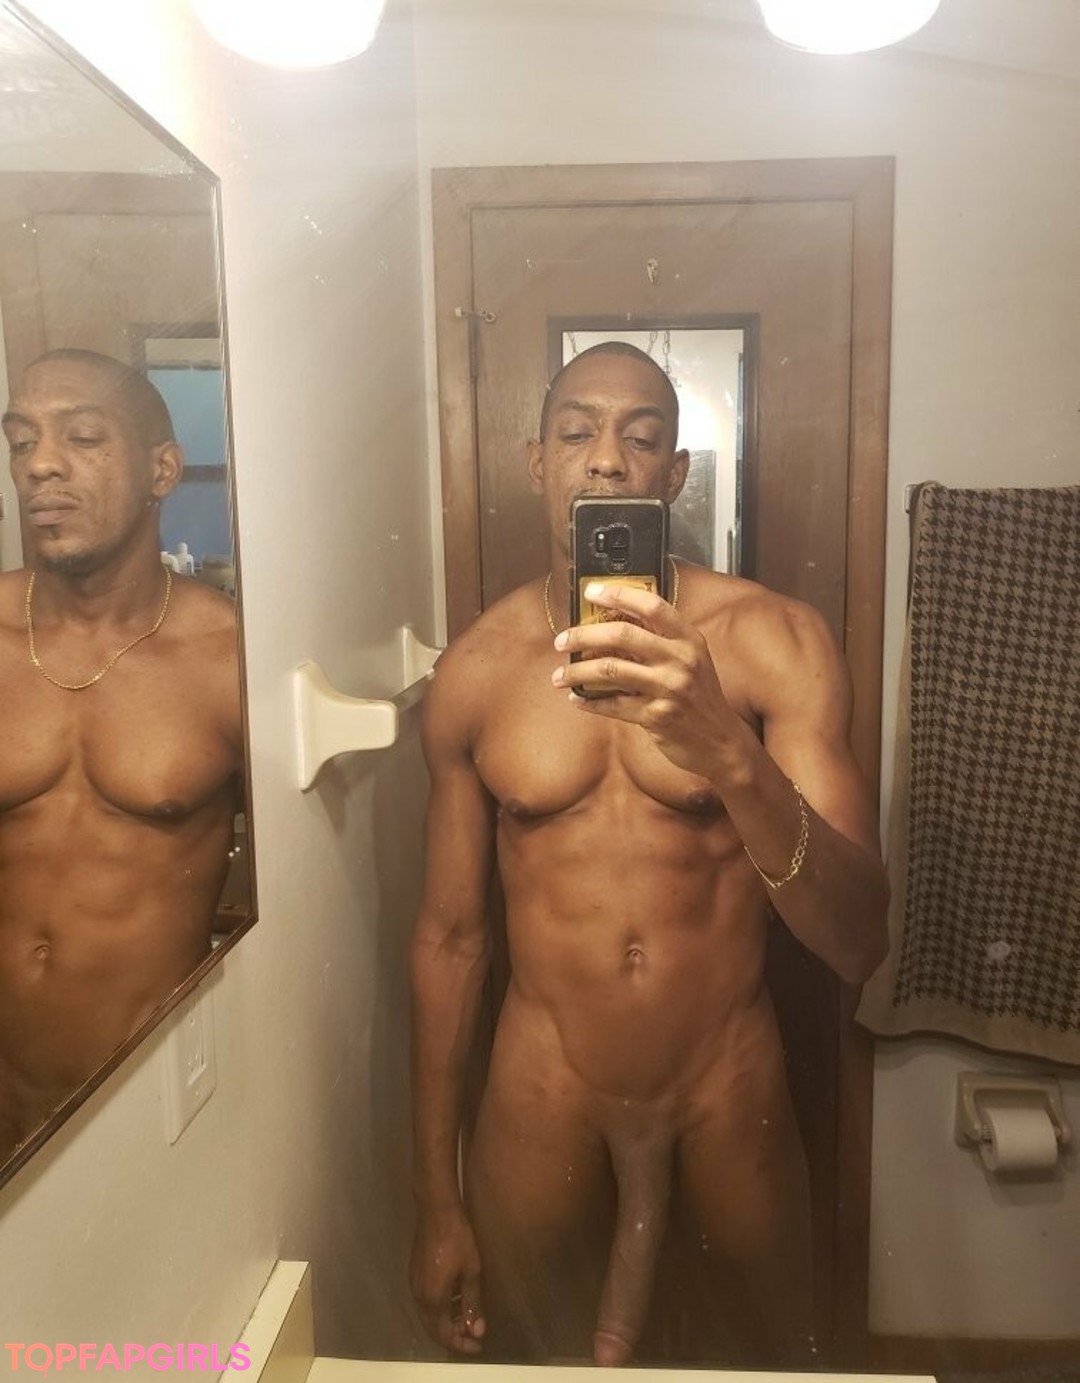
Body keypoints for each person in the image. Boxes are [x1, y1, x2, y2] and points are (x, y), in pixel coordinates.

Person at [409, 341, 889, 1367]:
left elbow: (858, 938)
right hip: (543, 1083)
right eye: (577, 432)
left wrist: (729, 752)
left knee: (775, 1359)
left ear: (674, 475)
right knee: (522, 1359)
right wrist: (434, 1199)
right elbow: (450, 944)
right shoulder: (477, 672)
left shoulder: (773, 641)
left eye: (641, 437)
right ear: (537, 462)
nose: (606, 459)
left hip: (726, 1074)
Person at [0, 348, 243, 1163]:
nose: (40, 464)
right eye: (21, 440)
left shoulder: (226, 657)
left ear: (161, 470)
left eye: (82, 437)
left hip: (148, 1110)